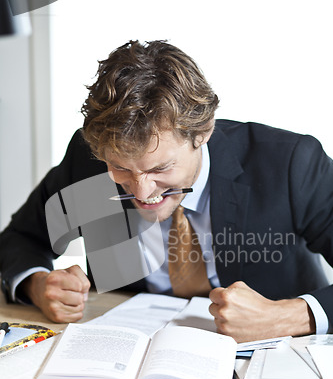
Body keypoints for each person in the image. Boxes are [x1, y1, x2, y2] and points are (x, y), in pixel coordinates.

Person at [0, 40, 333, 342]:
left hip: (275, 358)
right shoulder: (87, 160)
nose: (142, 192)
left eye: (160, 168)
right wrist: (38, 284)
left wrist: (287, 317)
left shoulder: (290, 163)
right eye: (121, 169)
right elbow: (20, 238)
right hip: (125, 356)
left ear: (203, 132)